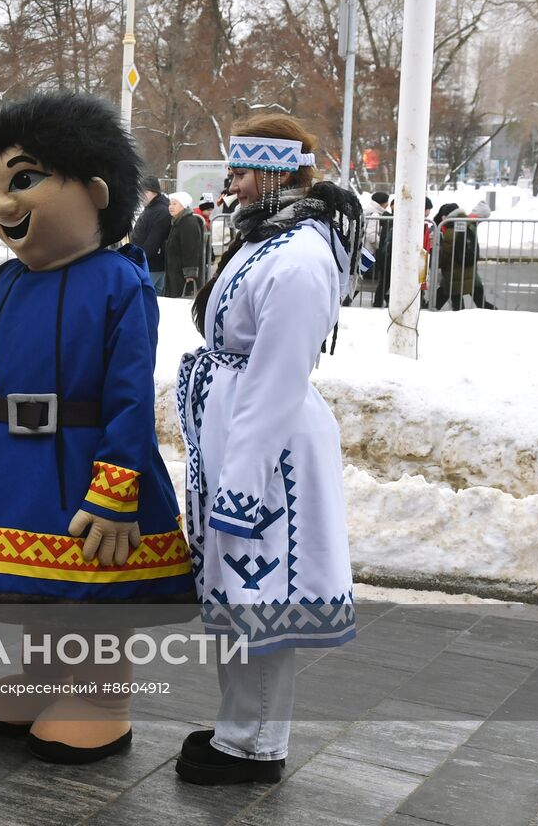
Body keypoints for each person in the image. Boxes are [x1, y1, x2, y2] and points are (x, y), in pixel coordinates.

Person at [0, 93, 195, 765]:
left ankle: (101, 695)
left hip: (89, 462)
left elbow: (129, 392)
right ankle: (44, 677)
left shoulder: (119, 282)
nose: (1, 203)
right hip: (11, 468)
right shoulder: (0, 289)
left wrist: (116, 490)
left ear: (95, 189)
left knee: (93, 589)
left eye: (22, 180)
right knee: (40, 586)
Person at [176, 113, 361, 785]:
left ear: (278, 172)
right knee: (238, 587)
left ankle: (254, 743)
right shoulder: (271, 239)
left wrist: (243, 480)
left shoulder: (301, 257)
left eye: (245, 172)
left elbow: (278, 377)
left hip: (269, 449)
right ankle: (241, 726)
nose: (234, 184)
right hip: (243, 436)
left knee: (262, 595)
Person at [433, 201, 497, 311]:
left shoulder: (451, 231)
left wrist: (437, 263)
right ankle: (498, 315)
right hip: (469, 274)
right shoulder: (468, 225)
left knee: (457, 307)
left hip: (454, 276)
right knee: (481, 304)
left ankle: (426, 311)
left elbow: (445, 256)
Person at [129, 176, 171, 294]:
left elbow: (154, 240)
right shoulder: (154, 207)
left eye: (143, 192)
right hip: (148, 263)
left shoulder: (161, 210)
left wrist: (138, 258)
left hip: (151, 265)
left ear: (152, 191)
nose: (140, 196)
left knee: (146, 296)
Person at [165, 190, 206, 298]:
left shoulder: (188, 222)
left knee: (180, 302)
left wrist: (190, 274)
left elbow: (191, 249)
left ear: (183, 205)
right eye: (170, 203)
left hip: (183, 276)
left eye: (174, 204)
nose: (170, 207)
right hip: (176, 272)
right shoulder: (178, 221)